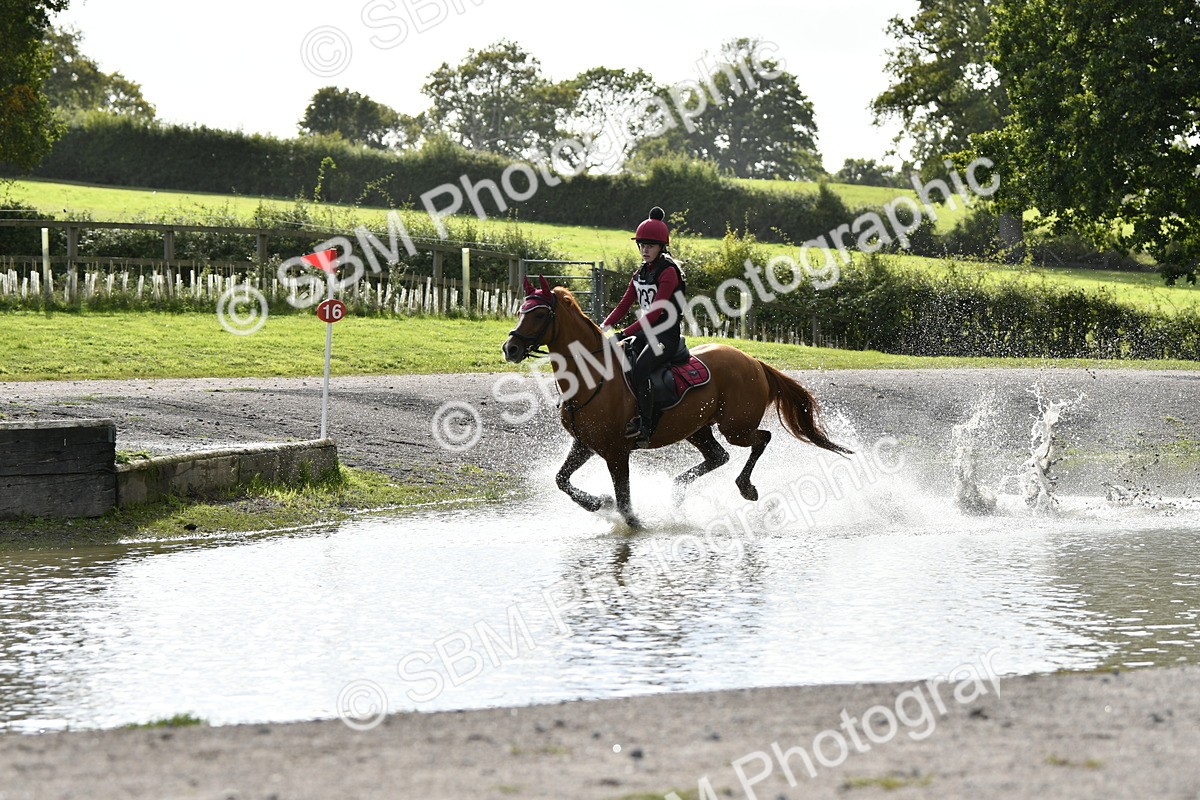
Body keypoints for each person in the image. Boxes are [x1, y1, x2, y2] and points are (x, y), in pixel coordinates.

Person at [600, 206, 687, 447]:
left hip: (665, 337)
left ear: (661, 248)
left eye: (650, 246)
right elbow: (623, 305)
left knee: (640, 368)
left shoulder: (668, 272)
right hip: (646, 334)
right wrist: (604, 326)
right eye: (642, 245)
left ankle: (645, 426)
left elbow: (655, 313)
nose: (645, 250)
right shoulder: (640, 273)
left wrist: (622, 333)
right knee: (619, 361)